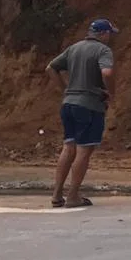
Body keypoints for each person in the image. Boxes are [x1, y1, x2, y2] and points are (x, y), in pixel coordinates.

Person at [46, 19, 118, 208]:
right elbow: (107, 73)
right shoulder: (103, 50)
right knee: (84, 151)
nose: (109, 38)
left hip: (68, 104)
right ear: (103, 34)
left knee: (68, 146)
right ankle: (73, 196)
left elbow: (51, 68)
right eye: (109, 34)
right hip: (89, 105)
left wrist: (65, 89)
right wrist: (110, 93)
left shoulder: (74, 48)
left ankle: (56, 195)